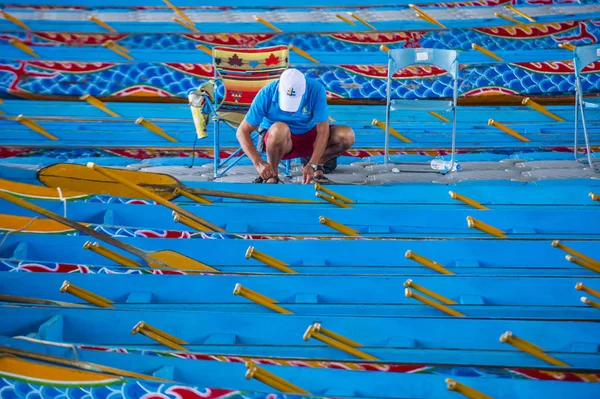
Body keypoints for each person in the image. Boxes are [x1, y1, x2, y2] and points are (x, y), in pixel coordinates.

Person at [235, 68, 355, 184]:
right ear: (279, 88)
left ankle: (317, 165)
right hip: (280, 141)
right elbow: (242, 132)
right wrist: (258, 163)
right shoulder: (266, 93)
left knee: (346, 135)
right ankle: (272, 174)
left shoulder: (316, 89)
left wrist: (313, 163)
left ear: (304, 89)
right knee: (279, 129)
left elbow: (323, 130)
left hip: (309, 134)